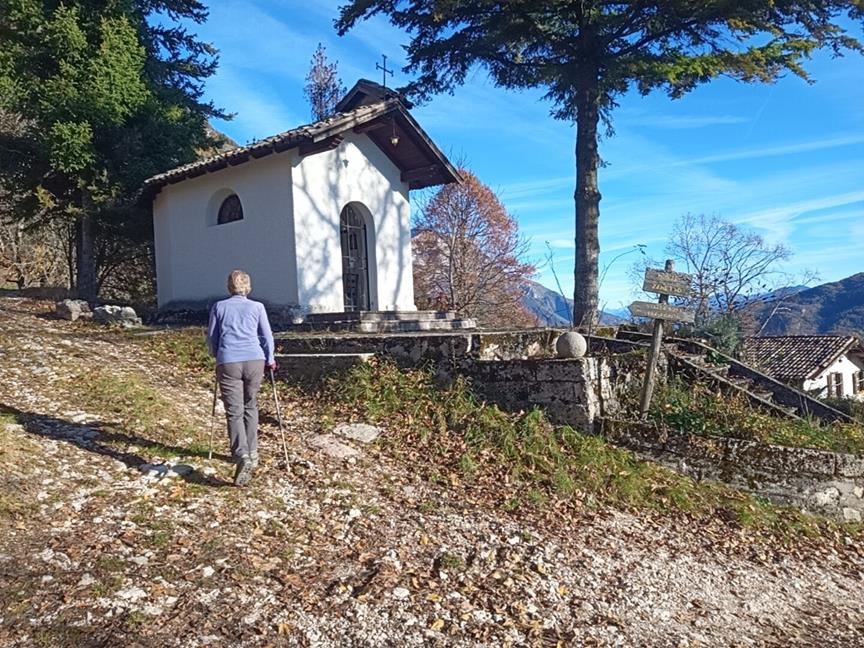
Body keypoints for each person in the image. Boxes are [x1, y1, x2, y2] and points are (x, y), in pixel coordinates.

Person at [206, 270, 276, 486]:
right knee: (250, 406)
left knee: (234, 411)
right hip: (255, 359)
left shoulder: (219, 307)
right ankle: (253, 453)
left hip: (229, 361)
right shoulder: (257, 307)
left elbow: (212, 337)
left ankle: (241, 454)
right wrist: (270, 358)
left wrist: (218, 355)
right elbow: (266, 335)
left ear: (229, 287)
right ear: (248, 287)